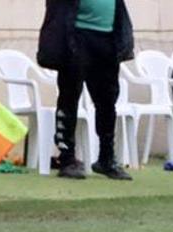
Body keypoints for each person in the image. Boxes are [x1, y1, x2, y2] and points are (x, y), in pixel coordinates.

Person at [37, 0, 134, 181]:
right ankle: (67, 158)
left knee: (107, 100)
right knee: (69, 96)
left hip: (107, 36)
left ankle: (106, 158)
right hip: (76, 34)